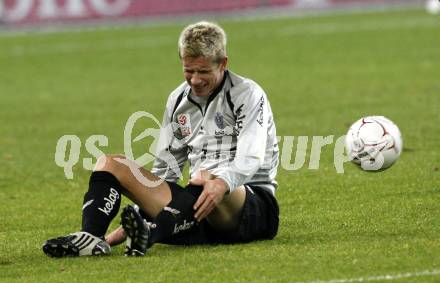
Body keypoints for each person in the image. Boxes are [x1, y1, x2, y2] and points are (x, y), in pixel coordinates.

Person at [42, 21, 280, 257]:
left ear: (223, 63)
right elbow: (167, 173)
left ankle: (150, 234)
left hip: (251, 210)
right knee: (111, 164)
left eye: (204, 71)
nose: (195, 79)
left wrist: (220, 182)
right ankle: (92, 239)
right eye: (189, 70)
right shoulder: (177, 101)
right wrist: (131, 220)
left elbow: (252, 156)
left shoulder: (247, 94)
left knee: (204, 177)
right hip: (193, 215)